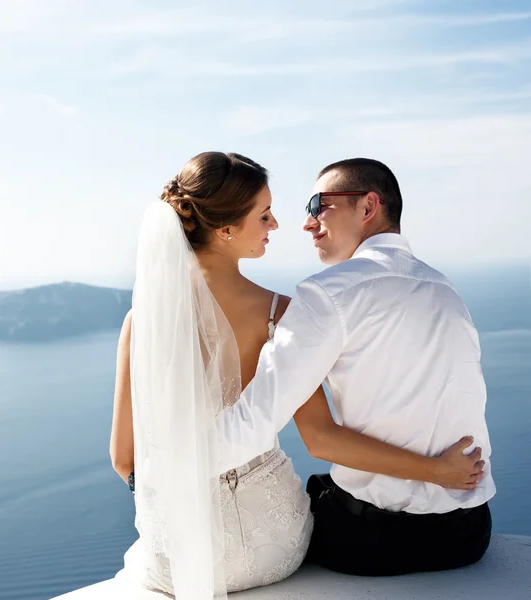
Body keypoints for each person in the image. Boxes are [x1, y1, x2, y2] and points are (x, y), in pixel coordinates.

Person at [109, 153, 485, 599]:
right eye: (265, 215)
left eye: (316, 206)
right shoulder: (287, 311)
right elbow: (318, 435)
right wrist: (436, 470)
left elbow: (124, 458)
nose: (282, 225)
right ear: (225, 228)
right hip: (277, 544)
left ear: (368, 207)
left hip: (174, 551)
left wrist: (173, 492)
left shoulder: (141, 321)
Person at [215, 157, 496, 577]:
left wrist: (164, 470)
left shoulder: (328, 294)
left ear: (368, 207)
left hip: (375, 540)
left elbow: (256, 422)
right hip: (470, 533)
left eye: (318, 205)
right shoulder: (445, 288)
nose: (307, 223)